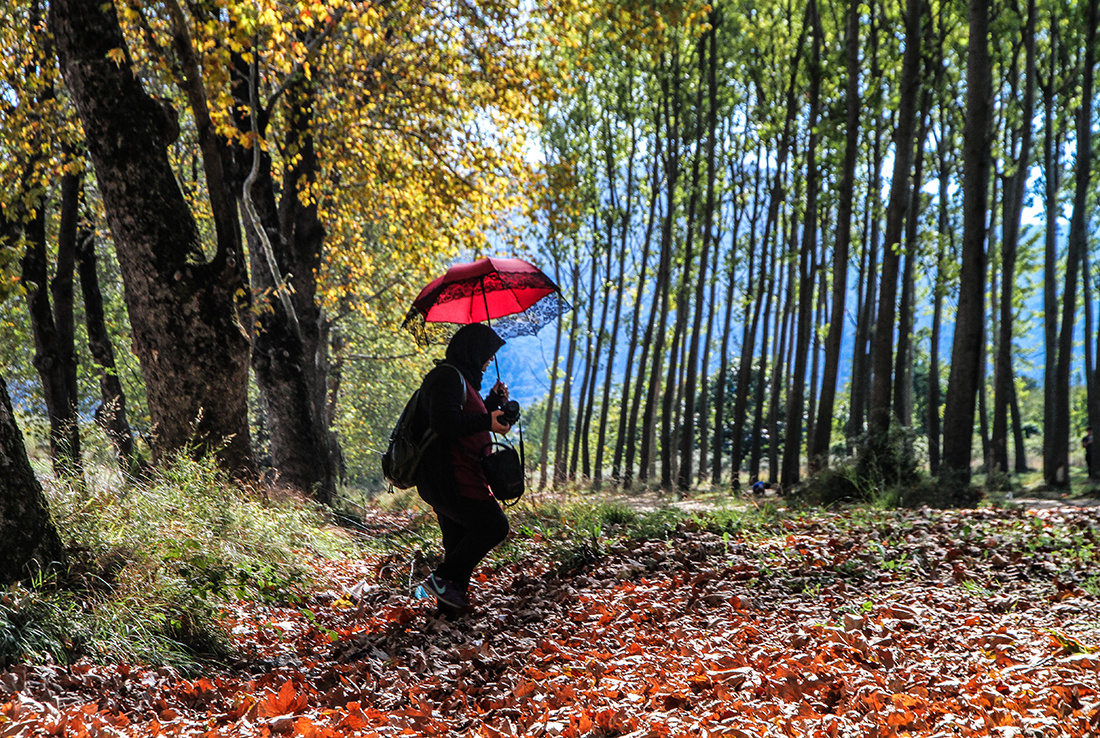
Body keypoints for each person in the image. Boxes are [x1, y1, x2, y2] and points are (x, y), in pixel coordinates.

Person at [412, 323, 513, 614]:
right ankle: (440, 578)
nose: (488, 362)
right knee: (494, 525)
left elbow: (465, 414)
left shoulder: (459, 379)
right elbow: (445, 423)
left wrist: (492, 404)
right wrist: (486, 421)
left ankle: (450, 615)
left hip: (452, 475)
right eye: (487, 355)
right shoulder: (445, 377)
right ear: (473, 351)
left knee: (457, 542)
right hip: (450, 477)